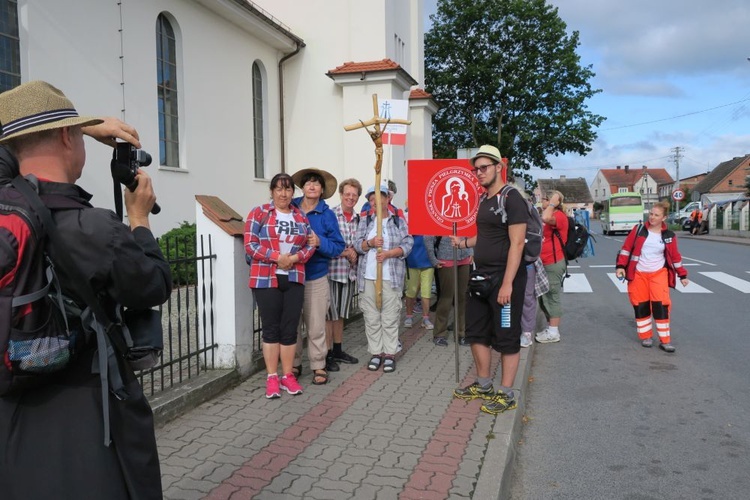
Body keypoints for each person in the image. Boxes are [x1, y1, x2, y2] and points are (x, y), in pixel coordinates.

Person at [0, 81, 172, 499]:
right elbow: (153, 285)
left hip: (13, 414)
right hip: (84, 414)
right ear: (65, 136)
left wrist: (80, 126)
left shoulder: (6, 205)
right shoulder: (92, 227)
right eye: (76, 131)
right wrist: (139, 219)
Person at [450, 145, 527, 415]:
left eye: (484, 167)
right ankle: (484, 385)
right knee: (476, 332)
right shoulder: (484, 200)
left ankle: (506, 394)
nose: (479, 172)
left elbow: (517, 244)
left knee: (506, 336)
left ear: (498, 167)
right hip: (480, 278)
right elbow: (485, 236)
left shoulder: (513, 198)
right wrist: (464, 242)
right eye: (476, 169)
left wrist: (507, 284)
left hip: (505, 280)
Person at [245, 173, 315, 399]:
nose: (284, 194)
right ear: (272, 191)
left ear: (292, 193)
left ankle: (288, 376)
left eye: (287, 190)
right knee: (271, 329)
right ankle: (272, 377)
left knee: (289, 329)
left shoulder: (301, 217)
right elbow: (250, 244)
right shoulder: (259, 213)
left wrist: (294, 259)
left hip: (294, 277)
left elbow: (310, 245)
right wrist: (276, 257)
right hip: (266, 278)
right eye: (279, 189)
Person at [291, 168, 345, 385]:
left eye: (316, 183)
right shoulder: (290, 208)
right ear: (302, 187)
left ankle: (318, 364)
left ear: (322, 190)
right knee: (291, 325)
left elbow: (338, 246)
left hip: (315, 276)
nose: (311, 186)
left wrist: (320, 242)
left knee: (315, 326)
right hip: (291, 275)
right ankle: (293, 363)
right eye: (308, 183)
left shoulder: (327, 214)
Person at [355, 183, 413, 373]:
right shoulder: (366, 221)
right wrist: (370, 243)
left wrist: (389, 253)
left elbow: (408, 243)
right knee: (371, 316)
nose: (375, 202)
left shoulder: (397, 221)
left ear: (388, 199)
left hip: (391, 276)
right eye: (371, 199)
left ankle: (389, 353)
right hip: (368, 276)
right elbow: (357, 245)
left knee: (389, 315)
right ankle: (376, 352)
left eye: (379, 197)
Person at [616, 201, 689, 353]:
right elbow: (626, 249)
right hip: (638, 274)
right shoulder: (639, 230)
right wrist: (621, 267)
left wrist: (682, 274)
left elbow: (675, 257)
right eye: (651, 214)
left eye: (656, 215)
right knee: (640, 305)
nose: (652, 217)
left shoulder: (669, 236)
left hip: (658, 273)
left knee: (661, 306)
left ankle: (665, 341)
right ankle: (646, 337)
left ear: (664, 218)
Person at [325, 178, 362, 366]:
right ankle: (327, 353)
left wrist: (355, 250)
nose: (350, 198)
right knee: (329, 315)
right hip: (332, 271)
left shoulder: (359, 219)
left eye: (354, 195)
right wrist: (345, 251)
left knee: (340, 315)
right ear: (341, 194)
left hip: (349, 273)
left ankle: (338, 350)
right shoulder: (330, 215)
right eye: (347, 194)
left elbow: (360, 242)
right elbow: (326, 243)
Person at [424, 234, 472, 346]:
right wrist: (433, 260)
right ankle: (439, 333)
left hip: (464, 258)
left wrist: (470, 252)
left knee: (462, 298)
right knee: (446, 298)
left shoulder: (463, 217)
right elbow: (428, 238)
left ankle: (461, 333)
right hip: (446, 259)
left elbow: (470, 234)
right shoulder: (440, 218)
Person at [536, 190, 568, 344]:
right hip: (543, 262)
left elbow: (546, 217)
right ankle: (550, 328)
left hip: (553, 263)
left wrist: (554, 202)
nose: (541, 202)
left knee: (552, 296)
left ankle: (554, 332)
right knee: (543, 298)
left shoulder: (559, 216)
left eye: (544, 199)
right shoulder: (548, 215)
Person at [403, 235, 435, 331]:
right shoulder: (409, 223)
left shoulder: (431, 223)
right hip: (412, 261)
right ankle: (409, 316)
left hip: (428, 262)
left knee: (426, 292)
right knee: (411, 292)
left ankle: (425, 318)